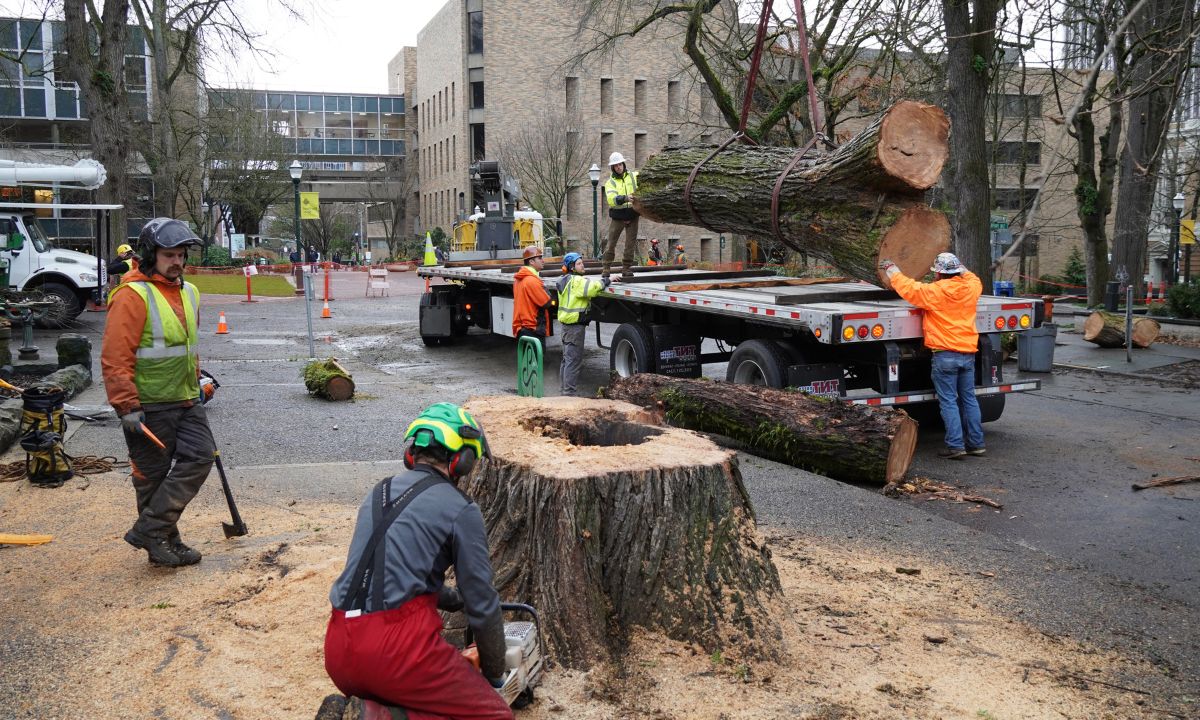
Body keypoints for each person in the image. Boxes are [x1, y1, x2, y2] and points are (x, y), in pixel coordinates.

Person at [324, 403, 512, 720]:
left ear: (412, 453)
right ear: (463, 460)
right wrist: (494, 676)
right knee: (495, 716)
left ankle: (370, 711)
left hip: (339, 646)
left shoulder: (379, 492)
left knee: (423, 702)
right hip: (396, 653)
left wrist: (450, 599)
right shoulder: (461, 509)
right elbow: (483, 603)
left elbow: (384, 573)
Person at [101, 218, 215, 567]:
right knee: (151, 475)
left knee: (201, 456)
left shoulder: (188, 291)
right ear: (151, 255)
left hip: (185, 397)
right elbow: (115, 356)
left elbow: (186, 345)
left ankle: (150, 529)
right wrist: (126, 405)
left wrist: (197, 382)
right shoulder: (131, 296)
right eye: (169, 254)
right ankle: (164, 541)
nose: (177, 261)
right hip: (147, 403)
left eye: (181, 254)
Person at [880, 252, 985, 459]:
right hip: (968, 353)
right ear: (956, 271)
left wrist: (892, 270)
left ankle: (955, 446)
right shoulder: (971, 289)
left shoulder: (934, 292)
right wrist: (961, 267)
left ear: (937, 273)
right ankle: (976, 443)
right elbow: (974, 278)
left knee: (948, 402)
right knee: (969, 399)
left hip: (945, 354)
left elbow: (909, 289)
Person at [556, 252, 611, 396]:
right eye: (579, 263)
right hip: (575, 328)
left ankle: (564, 391)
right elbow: (593, 288)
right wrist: (605, 281)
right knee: (573, 361)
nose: (582, 265)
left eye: (582, 262)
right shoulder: (577, 281)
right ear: (572, 267)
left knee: (566, 360)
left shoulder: (565, 280)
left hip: (567, 327)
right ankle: (569, 395)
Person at [602, 151, 639, 281]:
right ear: (613, 167)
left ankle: (627, 268)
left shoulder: (634, 176)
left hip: (633, 215)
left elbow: (646, 177)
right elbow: (611, 199)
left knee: (630, 243)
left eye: (620, 164)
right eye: (615, 165)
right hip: (618, 217)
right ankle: (606, 268)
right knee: (611, 242)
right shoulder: (610, 183)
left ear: (623, 164)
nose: (618, 167)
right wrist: (625, 198)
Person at [512, 245, 553, 343]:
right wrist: (545, 289)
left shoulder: (519, 279)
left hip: (523, 328)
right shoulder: (532, 280)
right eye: (539, 258)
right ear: (531, 261)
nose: (543, 261)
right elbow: (546, 302)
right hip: (533, 329)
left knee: (527, 358)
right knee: (537, 358)